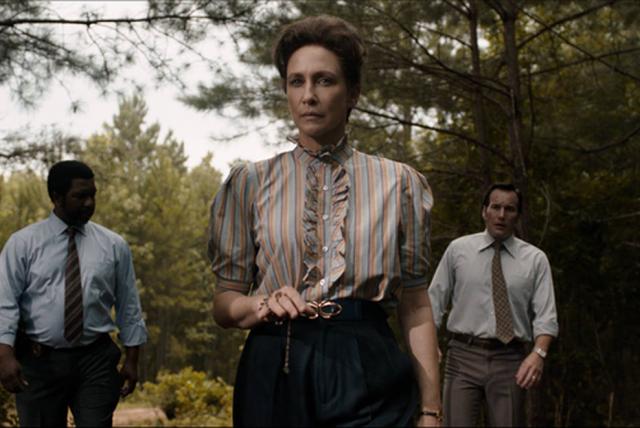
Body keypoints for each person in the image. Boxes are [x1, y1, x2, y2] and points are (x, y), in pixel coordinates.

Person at [208, 15, 442, 427]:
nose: (309, 96)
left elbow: (416, 303)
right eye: (296, 82)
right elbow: (225, 303)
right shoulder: (249, 183)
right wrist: (261, 304)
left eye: (325, 81)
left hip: (369, 364)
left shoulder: (399, 183)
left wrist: (431, 410)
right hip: (275, 361)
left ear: (352, 92)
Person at [0, 160, 148, 427]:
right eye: (80, 196)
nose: (89, 203)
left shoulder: (114, 245)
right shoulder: (23, 244)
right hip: (39, 361)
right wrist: (5, 354)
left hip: (96, 360)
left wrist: (132, 359)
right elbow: (4, 302)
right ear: (56, 197)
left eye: (93, 195)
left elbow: (129, 305)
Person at [428, 183, 559, 426]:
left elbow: (546, 317)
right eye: (495, 207)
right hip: (462, 356)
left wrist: (538, 354)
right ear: (484, 211)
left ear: (518, 216)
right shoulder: (458, 250)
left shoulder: (535, 259)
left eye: (509, 209)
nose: (501, 215)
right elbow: (434, 302)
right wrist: (429, 344)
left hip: (509, 359)